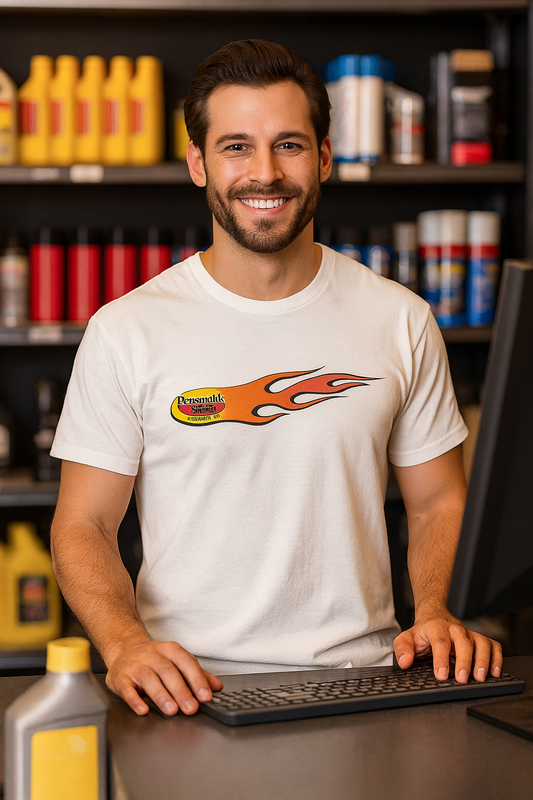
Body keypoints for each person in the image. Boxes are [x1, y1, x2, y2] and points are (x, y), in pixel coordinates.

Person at [50, 39, 502, 718]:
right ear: (198, 164)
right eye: (235, 147)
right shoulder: (126, 330)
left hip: (367, 682)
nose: (264, 173)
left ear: (323, 157)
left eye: (288, 145)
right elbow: (84, 522)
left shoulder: (399, 319)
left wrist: (435, 609)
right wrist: (123, 645)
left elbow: (438, 502)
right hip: (187, 693)